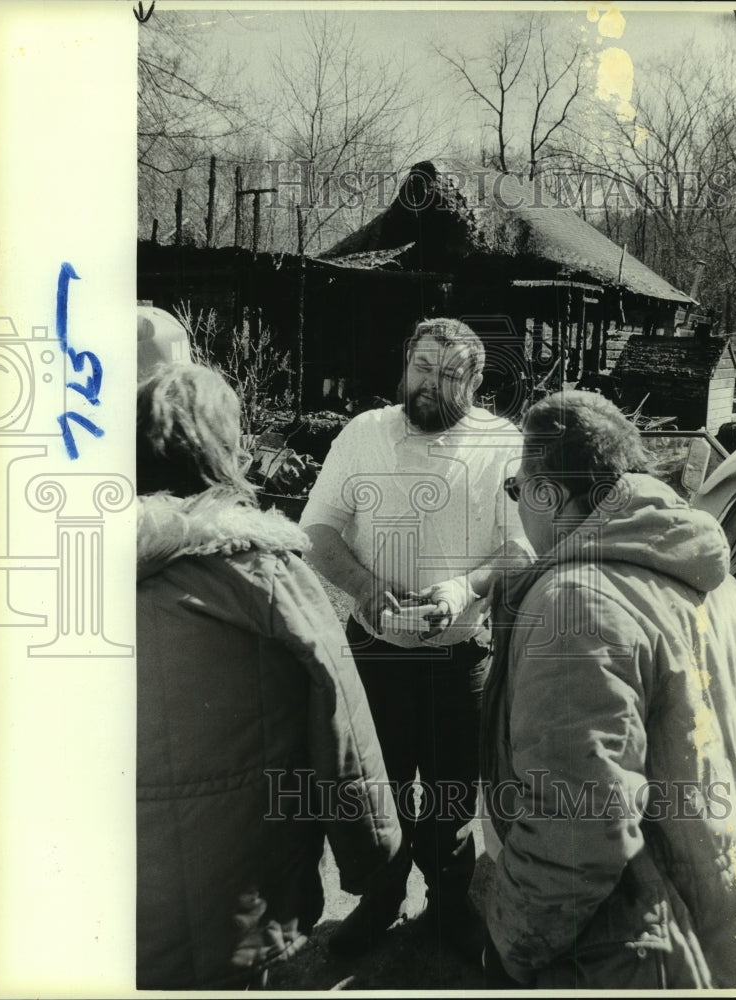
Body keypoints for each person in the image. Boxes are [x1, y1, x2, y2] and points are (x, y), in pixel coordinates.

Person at [136, 362, 403, 990]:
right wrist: (375, 856)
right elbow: (343, 724)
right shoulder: (264, 574)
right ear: (230, 450)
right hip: (235, 898)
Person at [475, 390, 736, 989]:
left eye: (518, 490)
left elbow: (578, 825)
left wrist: (512, 941)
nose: (516, 507)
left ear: (552, 495)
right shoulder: (705, 575)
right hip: (711, 908)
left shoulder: (576, 602)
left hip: (624, 944)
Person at [299, 318, 531, 961]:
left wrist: (462, 590)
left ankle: (448, 908)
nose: (432, 383)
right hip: (373, 650)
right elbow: (316, 528)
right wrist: (368, 591)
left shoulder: (503, 442)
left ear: (476, 380)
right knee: (379, 792)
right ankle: (379, 904)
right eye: (423, 366)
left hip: (461, 654)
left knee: (454, 791)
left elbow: (519, 549)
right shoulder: (365, 433)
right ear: (405, 366)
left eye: (451, 372)